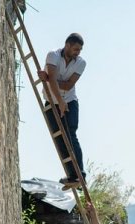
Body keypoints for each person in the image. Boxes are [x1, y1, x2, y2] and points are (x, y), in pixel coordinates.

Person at [37, 33, 86, 189]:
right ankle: (71, 175)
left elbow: (68, 85)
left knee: (71, 134)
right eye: (76, 49)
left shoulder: (81, 63)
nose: (78, 52)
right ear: (67, 45)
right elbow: (54, 82)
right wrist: (52, 83)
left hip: (70, 101)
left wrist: (49, 79)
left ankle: (79, 176)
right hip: (51, 101)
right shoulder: (53, 55)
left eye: (80, 50)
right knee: (58, 138)